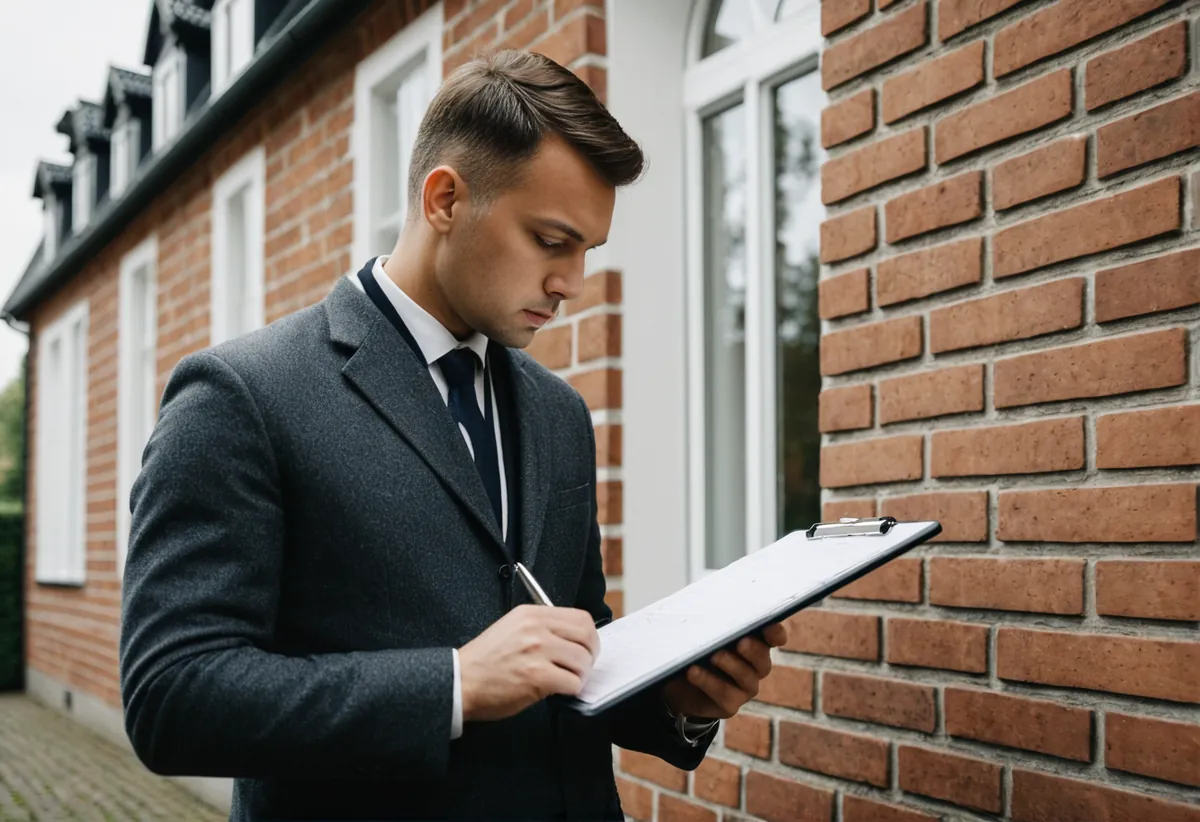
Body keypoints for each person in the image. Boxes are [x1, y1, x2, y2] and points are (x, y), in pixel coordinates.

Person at [119, 49, 788, 821]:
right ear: (444, 199)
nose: (572, 280)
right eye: (550, 240)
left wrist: (681, 699)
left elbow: (571, 655)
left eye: (586, 251)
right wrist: (454, 685)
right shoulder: (242, 396)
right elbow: (173, 697)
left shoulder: (560, 413)